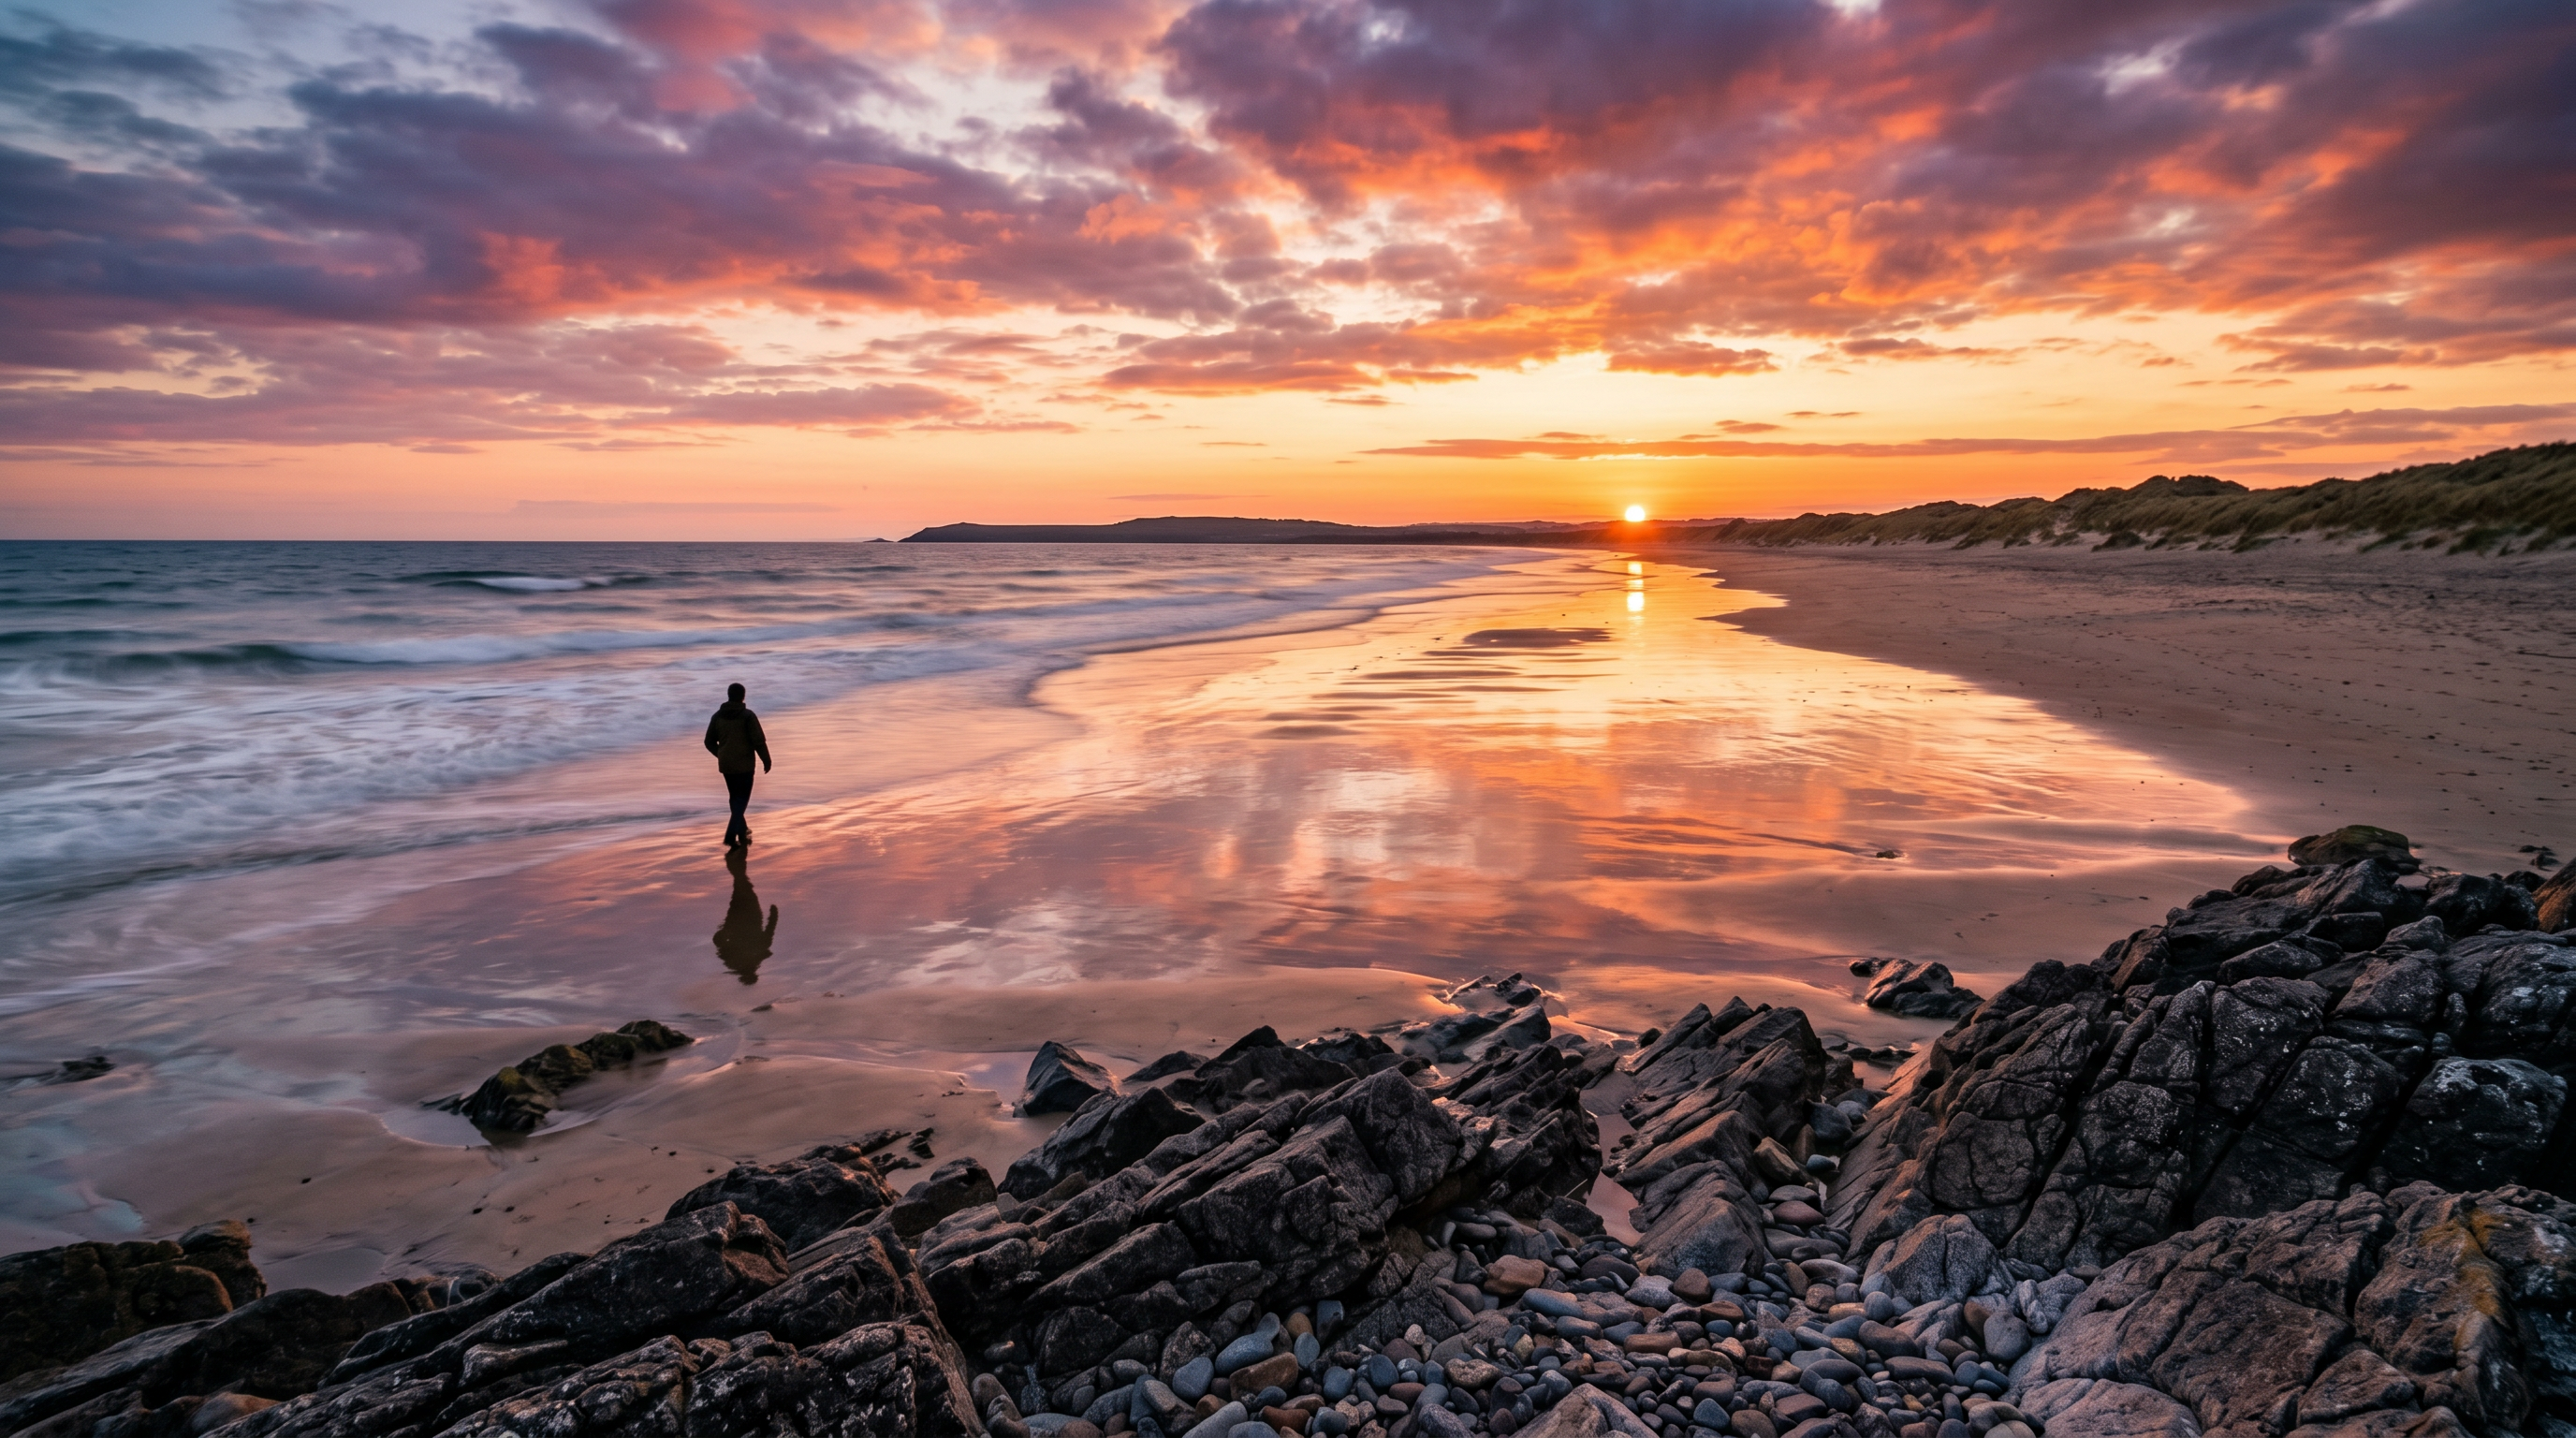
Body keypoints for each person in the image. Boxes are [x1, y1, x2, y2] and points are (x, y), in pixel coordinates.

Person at [703, 682, 771, 847]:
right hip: (745, 765)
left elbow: (708, 741)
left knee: (735, 798)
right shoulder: (748, 716)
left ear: (728, 695)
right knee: (741, 799)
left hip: (727, 765)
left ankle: (742, 830)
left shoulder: (717, 716)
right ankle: (730, 835)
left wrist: (721, 754)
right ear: (743, 696)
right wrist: (766, 759)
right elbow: (758, 741)